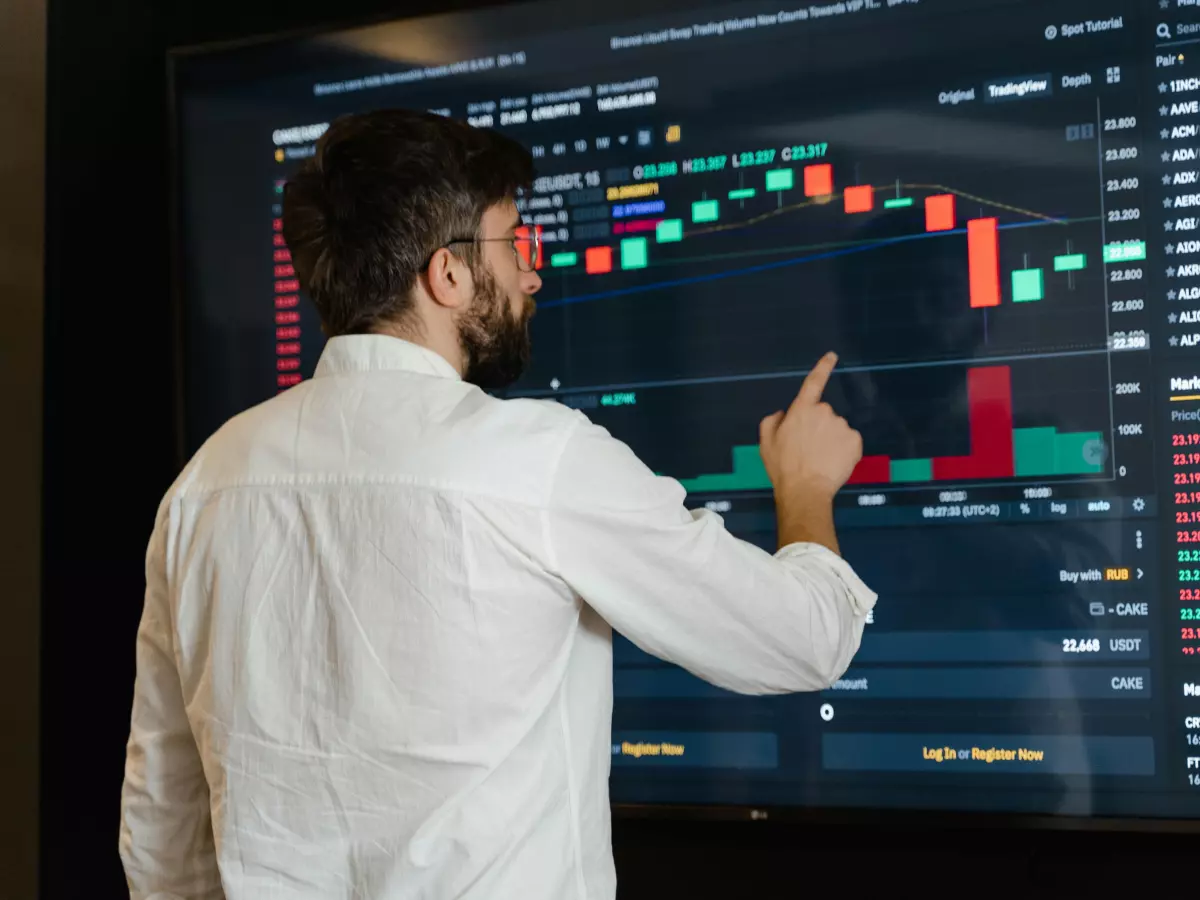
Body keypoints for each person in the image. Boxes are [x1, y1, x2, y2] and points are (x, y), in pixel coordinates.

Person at [119, 108, 875, 900]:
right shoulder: (537, 461)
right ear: (446, 274)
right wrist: (806, 487)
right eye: (516, 243)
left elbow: (163, 824)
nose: (531, 274)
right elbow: (804, 640)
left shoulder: (204, 486)